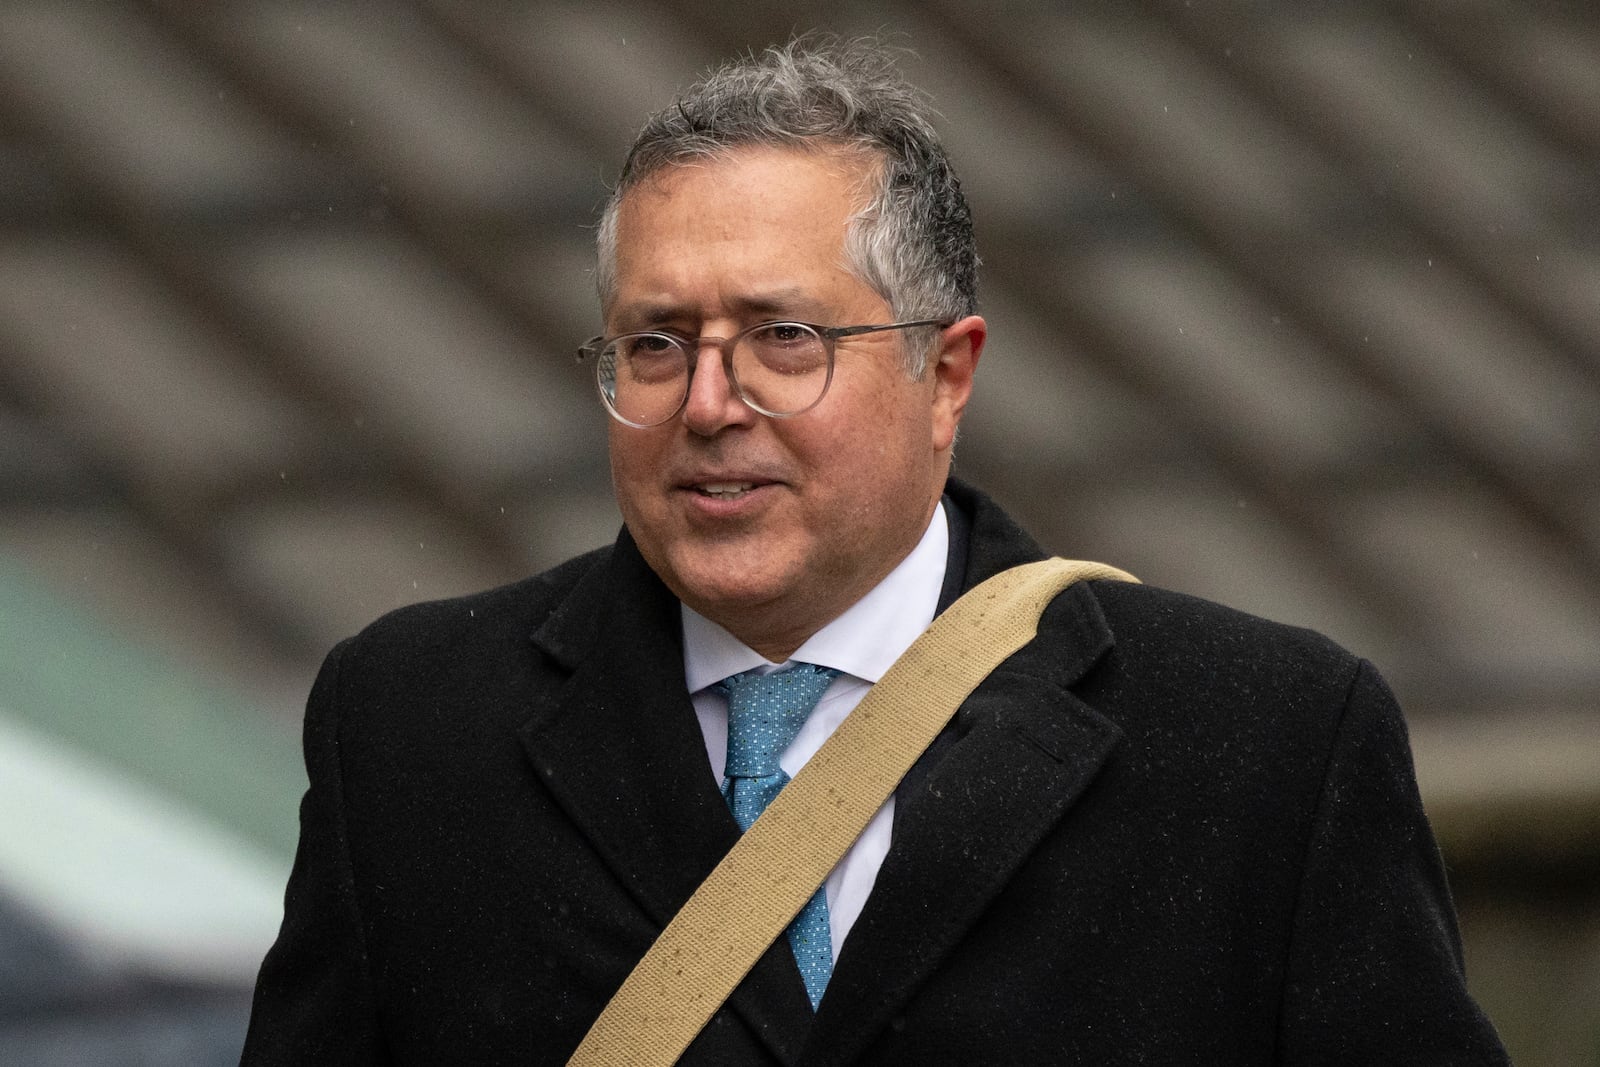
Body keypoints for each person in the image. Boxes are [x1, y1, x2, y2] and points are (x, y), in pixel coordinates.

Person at [242, 36, 1508, 1065]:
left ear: (944, 373)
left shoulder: (1262, 743)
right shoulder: (411, 729)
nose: (708, 402)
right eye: (655, 343)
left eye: (784, 337)